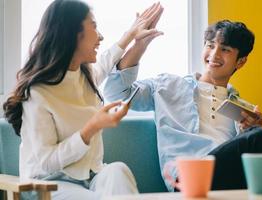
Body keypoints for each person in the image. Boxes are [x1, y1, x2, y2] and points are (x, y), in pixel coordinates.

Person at [103, 19, 262, 191]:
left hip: (231, 177)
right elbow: (116, 94)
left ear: (240, 62)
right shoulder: (167, 86)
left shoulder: (238, 106)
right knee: (259, 139)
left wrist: (248, 131)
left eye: (225, 49)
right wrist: (140, 45)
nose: (214, 54)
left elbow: (240, 152)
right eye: (210, 45)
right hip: (188, 178)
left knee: (259, 142)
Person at [2, 0, 163, 199]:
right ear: (72, 35)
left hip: (90, 178)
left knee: (117, 171)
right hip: (47, 184)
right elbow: (46, 162)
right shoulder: (38, 92)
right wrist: (91, 128)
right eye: (94, 27)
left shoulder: (84, 75)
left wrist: (132, 34)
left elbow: (107, 60)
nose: (101, 36)